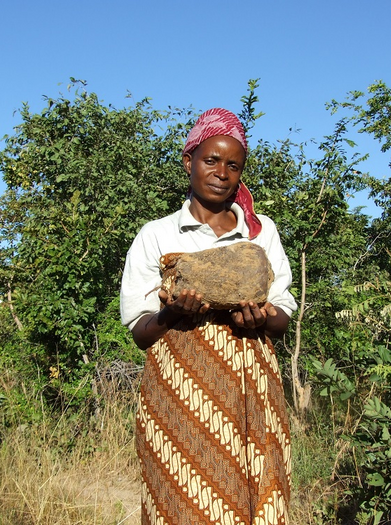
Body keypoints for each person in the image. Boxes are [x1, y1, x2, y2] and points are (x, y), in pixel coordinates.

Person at [120, 108, 297, 524]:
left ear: (241, 173)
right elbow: (140, 333)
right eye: (211, 160)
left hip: (253, 392)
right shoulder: (157, 235)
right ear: (189, 162)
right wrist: (171, 314)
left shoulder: (260, 232)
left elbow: (283, 315)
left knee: (261, 496)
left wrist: (259, 319)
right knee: (184, 500)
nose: (222, 172)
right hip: (180, 398)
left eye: (233, 165)